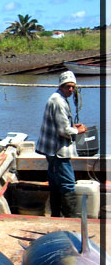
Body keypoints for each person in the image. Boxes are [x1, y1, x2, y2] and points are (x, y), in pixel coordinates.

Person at [36, 70, 87, 217]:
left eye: (73, 87)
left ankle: (56, 216)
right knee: (68, 184)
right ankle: (71, 219)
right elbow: (63, 130)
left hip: (52, 150)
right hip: (57, 151)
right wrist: (78, 131)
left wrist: (73, 126)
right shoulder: (58, 102)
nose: (71, 89)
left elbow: (60, 124)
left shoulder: (58, 98)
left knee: (55, 184)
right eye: (67, 86)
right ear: (61, 86)